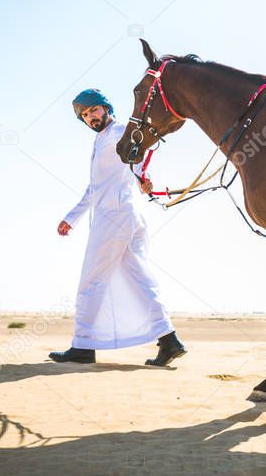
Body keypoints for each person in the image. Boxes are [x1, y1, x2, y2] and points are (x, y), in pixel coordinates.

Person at [51, 88, 187, 366]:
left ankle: (83, 346)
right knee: (140, 280)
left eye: (94, 110)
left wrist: (143, 177)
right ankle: (169, 341)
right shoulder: (101, 140)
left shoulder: (119, 131)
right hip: (127, 217)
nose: (91, 117)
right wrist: (71, 217)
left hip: (115, 217)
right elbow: (94, 188)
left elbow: (137, 152)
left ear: (106, 108)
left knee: (91, 280)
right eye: (85, 115)